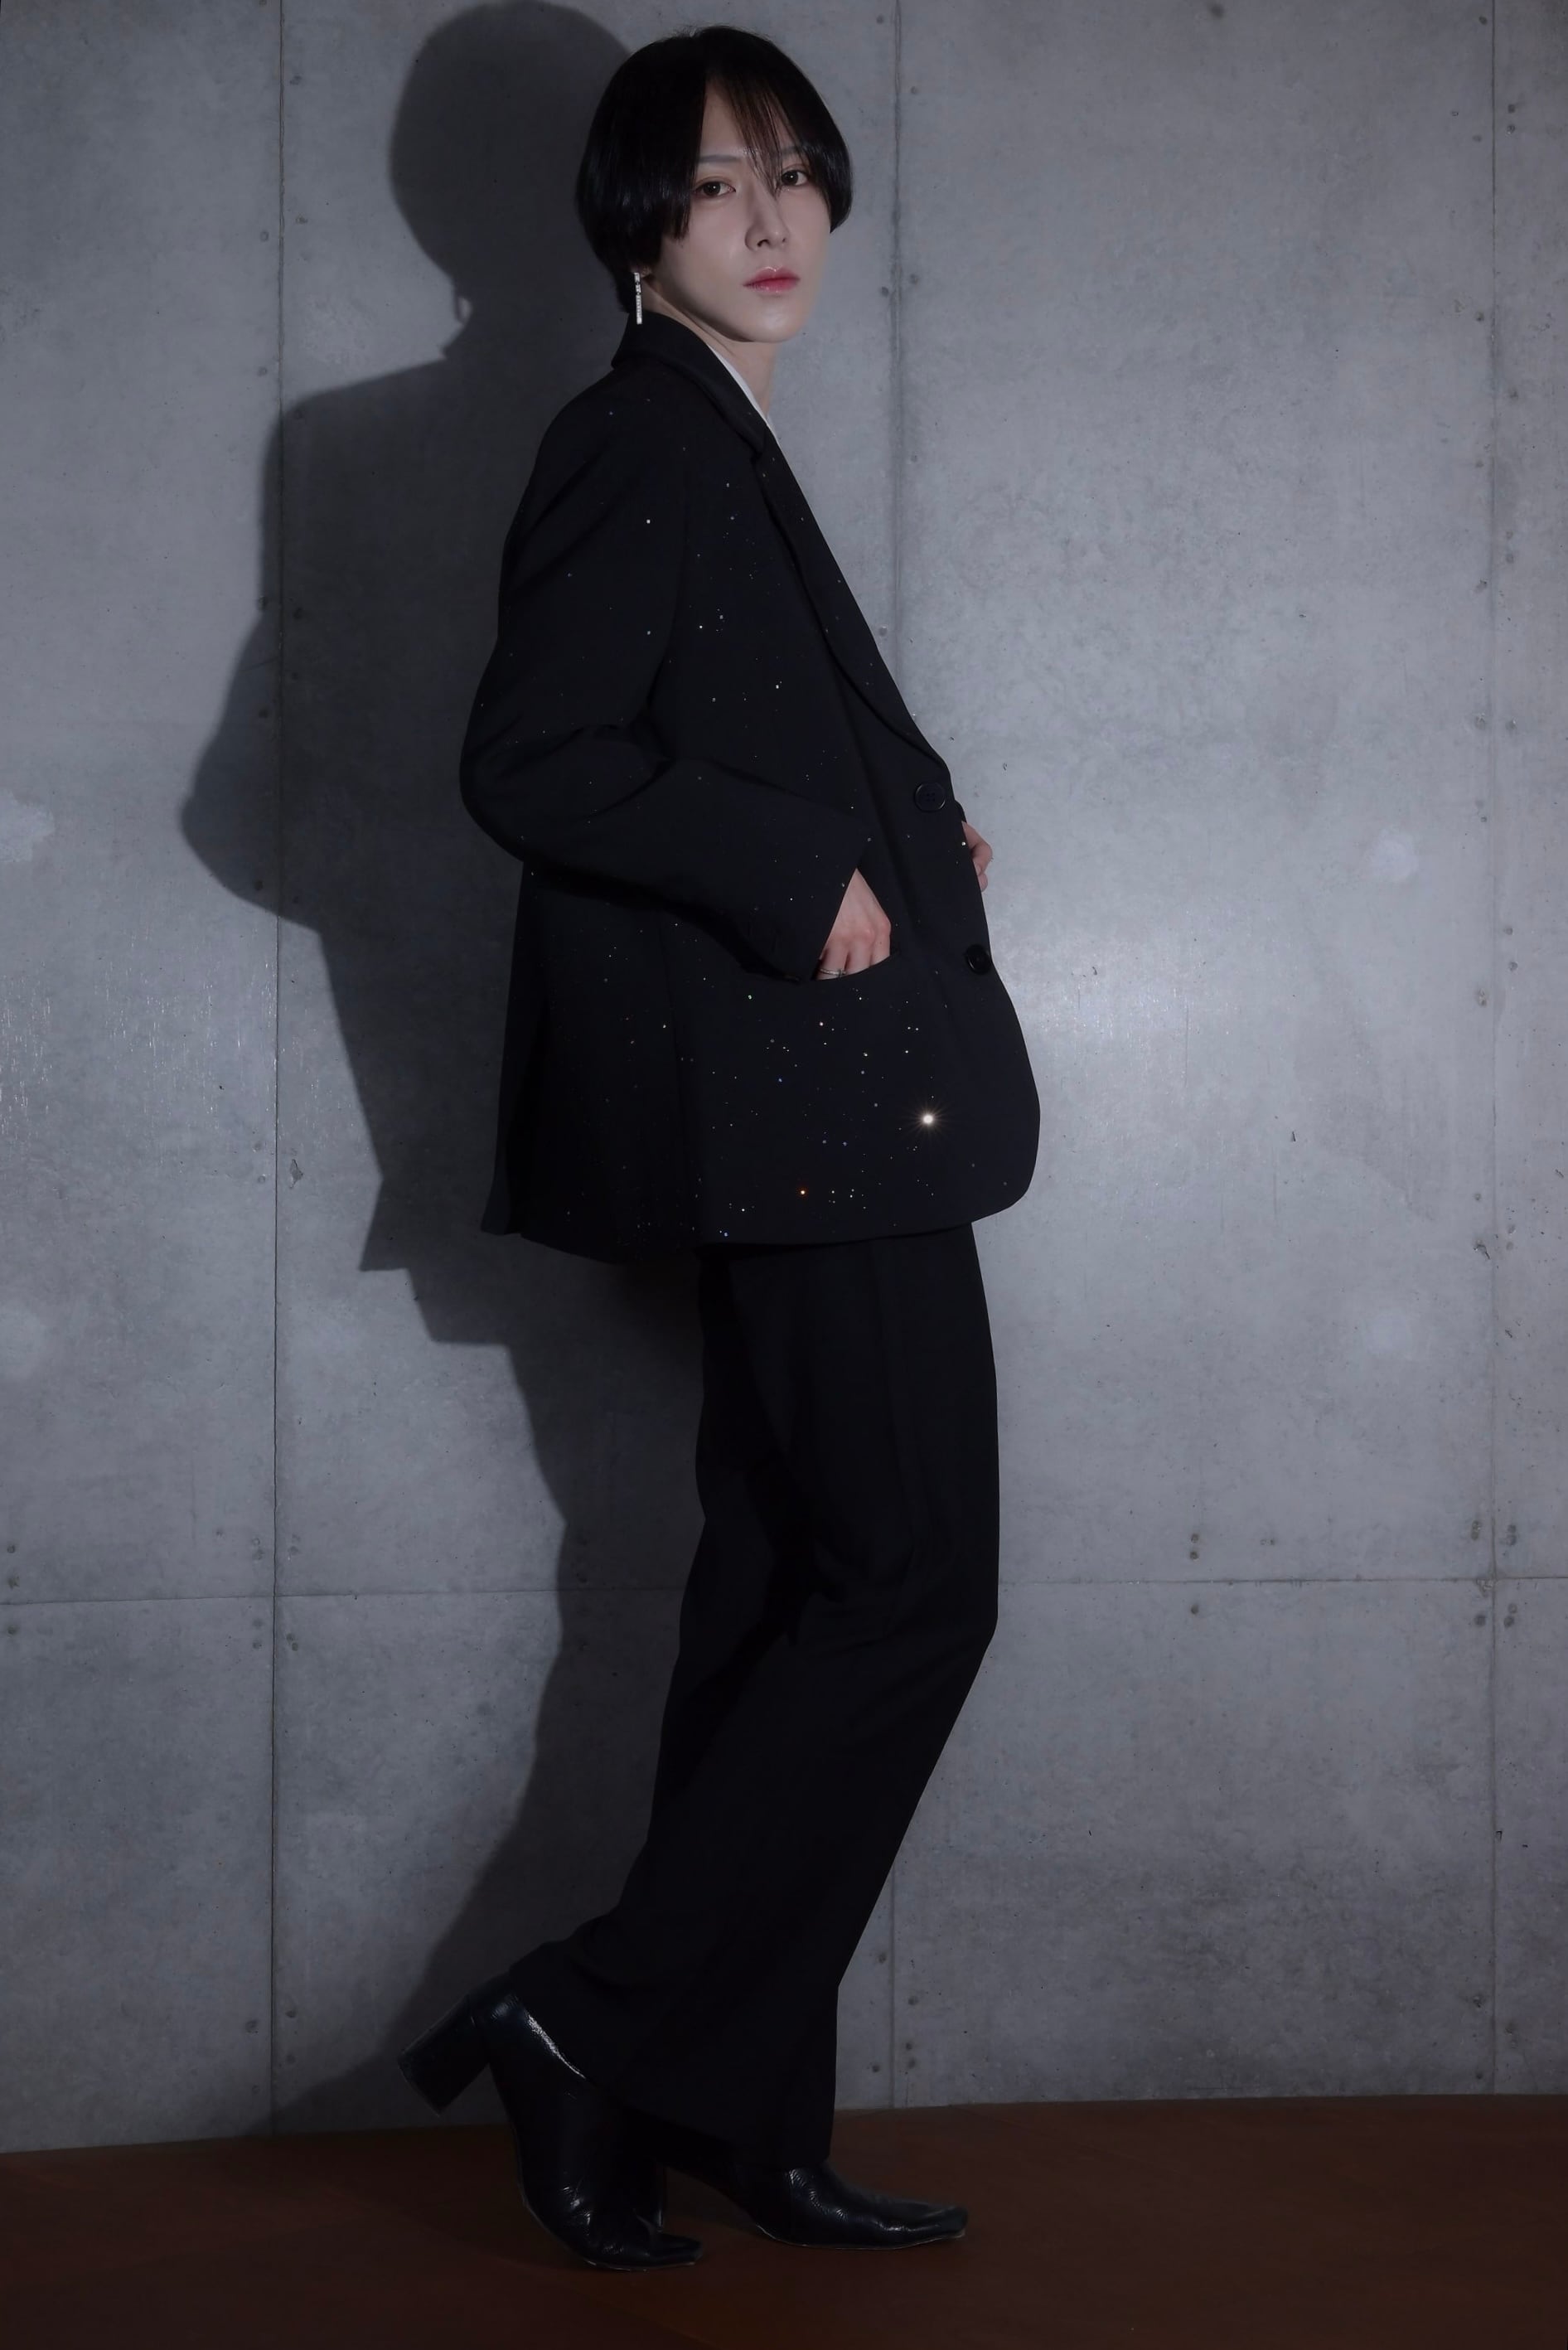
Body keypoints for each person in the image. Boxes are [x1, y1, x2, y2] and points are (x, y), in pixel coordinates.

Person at [399, 24, 1039, 2272]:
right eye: (709, 188)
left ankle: (726, 2106)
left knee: (780, 1600)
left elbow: (713, 728)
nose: (766, 224)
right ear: (634, 226)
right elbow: (535, 754)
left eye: (789, 176)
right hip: (806, 1124)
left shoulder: (715, 436)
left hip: (815, 1107)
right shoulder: (638, 437)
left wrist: (904, 840)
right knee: (911, 1582)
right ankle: (587, 2021)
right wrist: (793, 867)